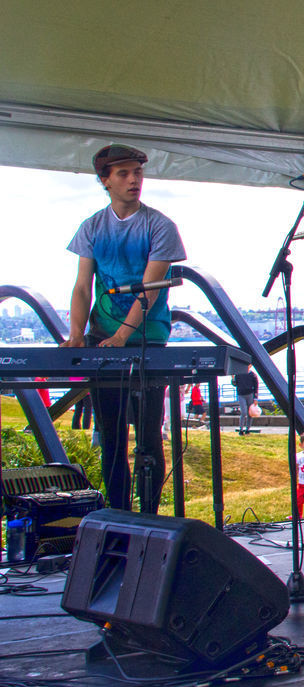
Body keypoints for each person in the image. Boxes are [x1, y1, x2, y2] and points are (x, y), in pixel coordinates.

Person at [63, 144, 186, 514]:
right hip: (104, 343)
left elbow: (149, 288)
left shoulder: (160, 226)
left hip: (148, 341)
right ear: (105, 181)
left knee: (148, 438)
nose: (134, 180)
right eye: (123, 174)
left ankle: (150, 519)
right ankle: (117, 518)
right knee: (112, 440)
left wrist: (121, 336)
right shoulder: (92, 227)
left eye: (138, 173)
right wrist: (75, 334)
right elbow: (83, 286)